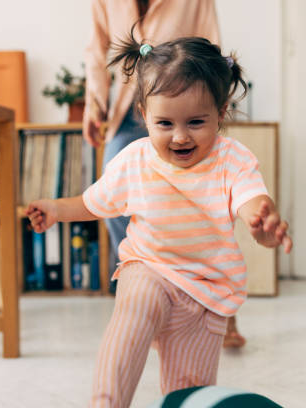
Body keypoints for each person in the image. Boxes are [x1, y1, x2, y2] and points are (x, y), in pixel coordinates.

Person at [28, 33, 292, 408]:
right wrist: (56, 209)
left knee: (188, 392)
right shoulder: (135, 160)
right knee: (131, 319)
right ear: (143, 114)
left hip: (205, 290)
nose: (180, 137)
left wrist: (264, 226)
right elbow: (94, 202)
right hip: (149, 267)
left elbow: (252, 202)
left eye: (196, 122)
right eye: (165, 123)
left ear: (222, 111)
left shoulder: (232, 159)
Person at [83, 0, 247, 349]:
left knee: (210, 205)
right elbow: (97, 49)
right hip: (131, 108)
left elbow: (211, 42)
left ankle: (219, 305)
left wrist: (215, 106)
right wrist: (94, 102)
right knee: (112, 195)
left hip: (190, 105)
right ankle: (146, 297)